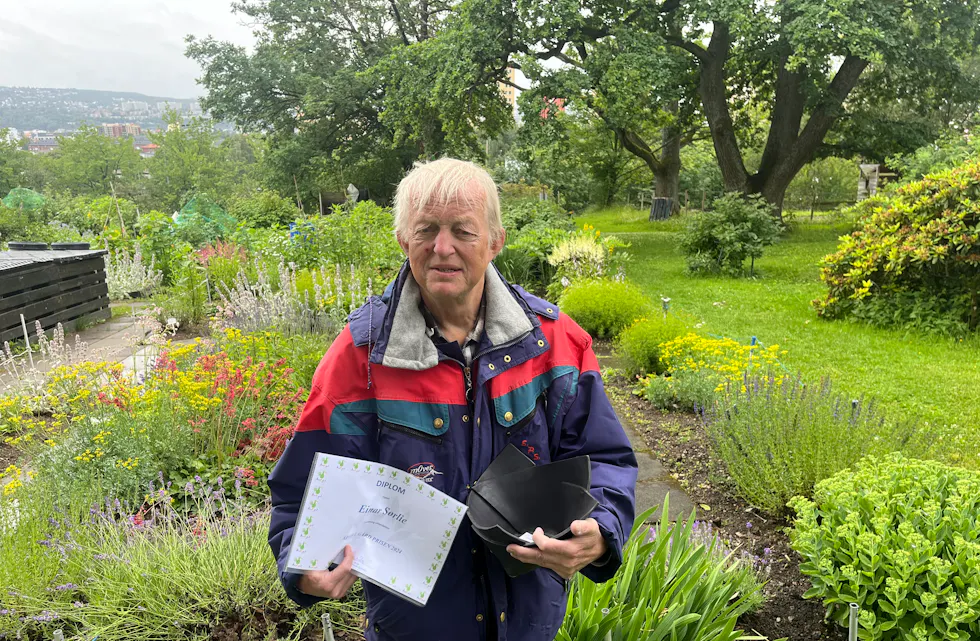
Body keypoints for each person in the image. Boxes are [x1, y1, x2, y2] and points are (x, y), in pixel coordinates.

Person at [268, 158, 637, 641]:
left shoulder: (556, 344)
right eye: (425, 230)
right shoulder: (360, 357)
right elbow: (304, 492)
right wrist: (304, 565)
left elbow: (605, 458)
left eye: (463, 230)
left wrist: (601, 530)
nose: (443, 248)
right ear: (404, 240)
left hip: (528, 624)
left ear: (494, 242)